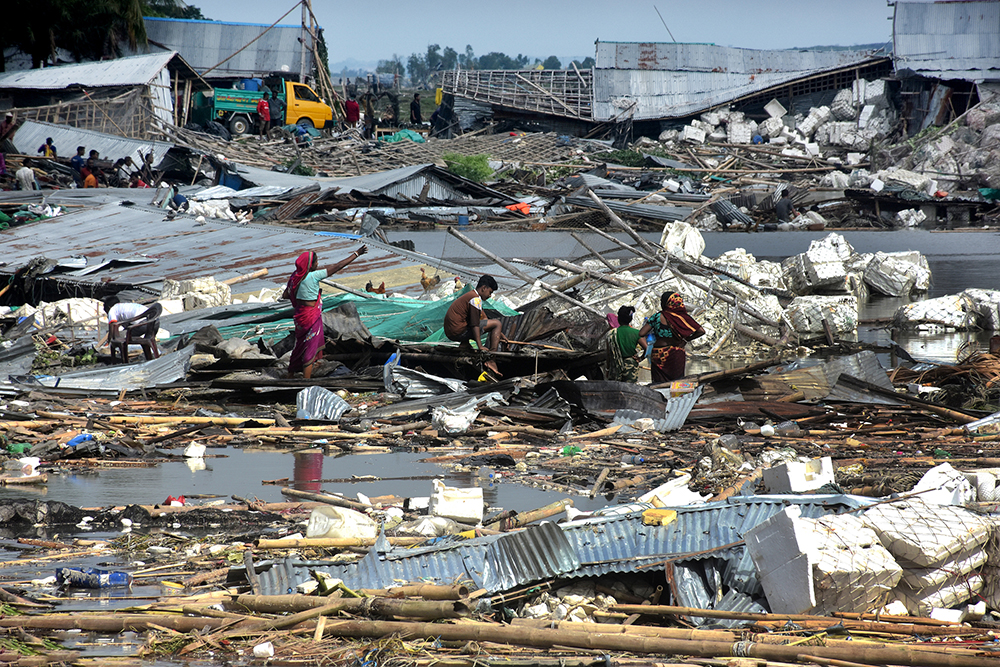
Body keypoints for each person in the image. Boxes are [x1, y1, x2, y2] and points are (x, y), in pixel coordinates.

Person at [284, 247, 368, 379]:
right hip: (311, 316)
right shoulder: (313, 276)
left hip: (300, 315)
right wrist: (357, 254)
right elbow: (339, 266)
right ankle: (306, 381)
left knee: (299, 345)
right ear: (310, 265)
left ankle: (290, 374)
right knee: (309, 347)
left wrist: (301, 295)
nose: (318, 265)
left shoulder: (295, 277)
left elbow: (286, 295)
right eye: (316, 262)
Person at [638, 291, 705, 384]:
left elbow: (641, 333)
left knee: (659, 382)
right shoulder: (682, 317)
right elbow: (701, 331)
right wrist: (686, 340)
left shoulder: (657, 316)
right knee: (676, 381)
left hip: (659, 353)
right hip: (676, 353)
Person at [443, 275, 504, 376]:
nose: (490, 296)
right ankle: (492, 359)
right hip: (458, 332)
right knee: (497, 323)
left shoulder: (472, 296)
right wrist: (480, 346)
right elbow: (475, 324)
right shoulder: (475, 299)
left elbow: (484, 319)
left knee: (489, 324)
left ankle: (464, 344)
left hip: (451, 332)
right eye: (490, 292)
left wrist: (499, 334)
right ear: (484, 288)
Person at [608, 305, 642, 382]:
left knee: (616, 389)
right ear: (630, 319)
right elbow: (647, 348)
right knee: (630, 390)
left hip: (615, 367)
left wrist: (607, 368)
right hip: (630, 367)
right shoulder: (636, 333)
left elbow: (608, 353)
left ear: (618, 319)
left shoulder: (611, 333)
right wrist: (640, 358)